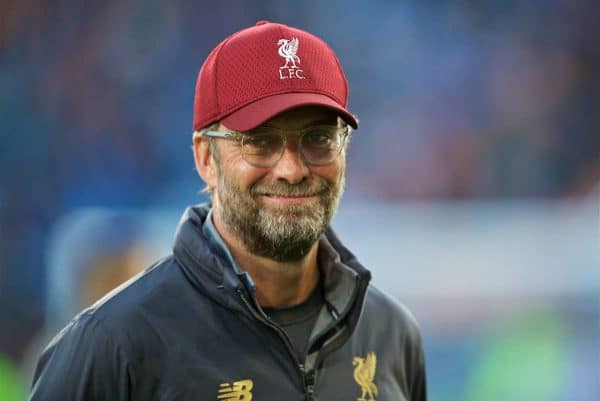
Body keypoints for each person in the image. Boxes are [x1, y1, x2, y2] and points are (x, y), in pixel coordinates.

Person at [29, 21, 427, 401]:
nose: (292, 169)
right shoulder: (112, 346)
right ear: (205, 157)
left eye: (319, 137)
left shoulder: (392, 336)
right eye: (259, 141)